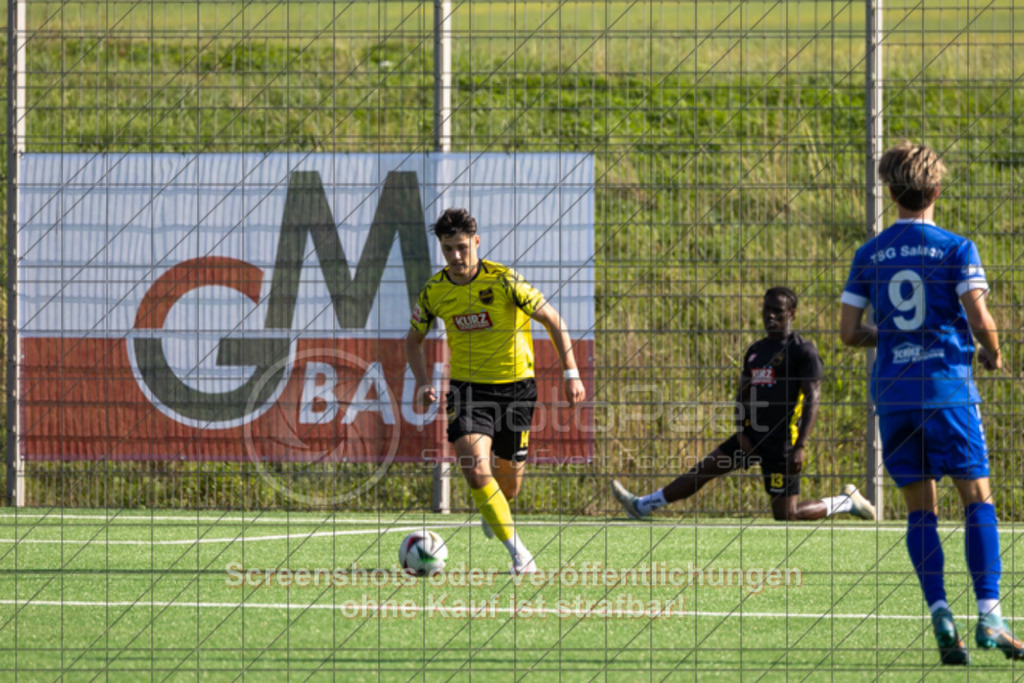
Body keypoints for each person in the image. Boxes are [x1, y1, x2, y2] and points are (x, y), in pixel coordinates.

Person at [839, 141, 1021, 665]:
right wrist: (993, 350)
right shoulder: (956, 247)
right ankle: (990, 616)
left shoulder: (869, 253)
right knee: (978, 497)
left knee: (922, 510)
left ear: (890, 191)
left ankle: (940, 609)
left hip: (894, 395)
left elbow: (849, 333)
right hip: (946, 391)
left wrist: (894, 335)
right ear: (936, 190)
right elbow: (980, 317)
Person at [405, 208, 586, 575]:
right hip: (468, 391)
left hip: (517, 390)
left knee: (509, 486)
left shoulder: (504, 281)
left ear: (476, 242)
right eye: (447, 249)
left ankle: (497, 510)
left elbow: (553, 319)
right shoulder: (434, 292)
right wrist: (424, 380)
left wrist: (572, 373)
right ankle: (519, 553)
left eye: (461, 247)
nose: (455, 256)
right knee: (474, 469)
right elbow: (412, 340)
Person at [612, 287, 876, 523]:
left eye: (778, 311)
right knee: (704, 469)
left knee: (787, 515)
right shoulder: (756, 351)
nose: (770, 316)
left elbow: (812, 399)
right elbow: (742, 395)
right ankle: (643, 505)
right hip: (751, 437)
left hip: (782, 444)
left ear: (792, 313)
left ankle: (846, 502)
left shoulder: (803, 351)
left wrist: (800, 447)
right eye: (766, 309)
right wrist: (741, 431)